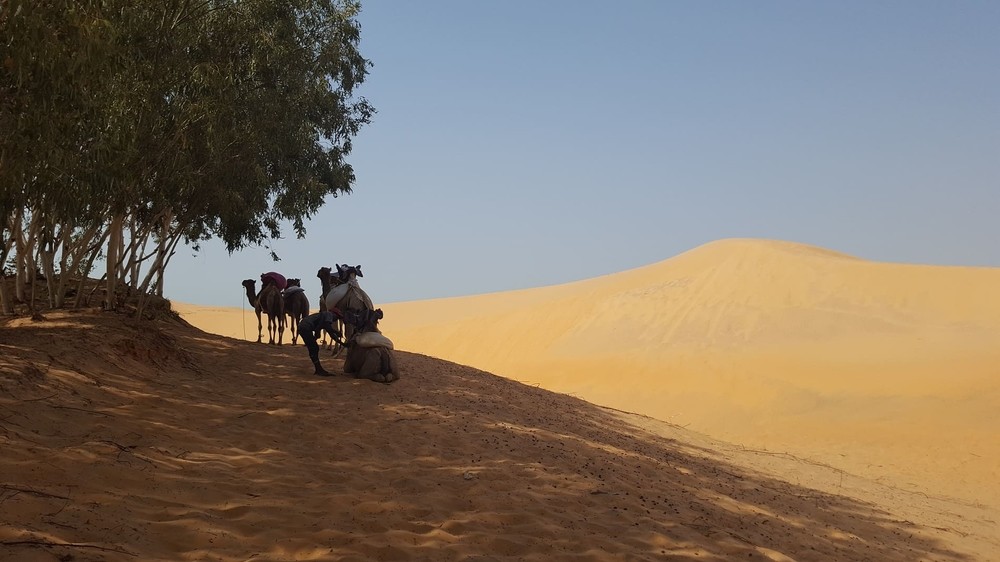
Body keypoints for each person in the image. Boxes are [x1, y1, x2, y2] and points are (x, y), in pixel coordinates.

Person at [298, 309, 343, 376]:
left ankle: (318, 368)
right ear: (334, 314)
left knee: (313, 347)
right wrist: (337, 333)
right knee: (314, 348)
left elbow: (330, 333)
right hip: (306, 327)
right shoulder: (329, 315)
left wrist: (342, 343)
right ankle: (318, 369)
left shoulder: (324, 317)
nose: (336, 320)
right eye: (337, 317)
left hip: (303, 327)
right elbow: (328, 328)